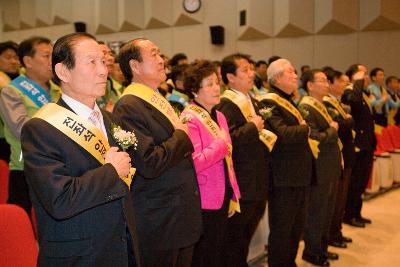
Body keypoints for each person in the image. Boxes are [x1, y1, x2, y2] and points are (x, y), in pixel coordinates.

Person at [21, 32, 138, 266]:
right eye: (92, 62)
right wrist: (110, 171)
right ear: (63, 71)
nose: (103, 70)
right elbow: (60, 200)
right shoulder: (41, 128)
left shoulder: (108, 118)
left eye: (103, 61)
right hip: (80, 254)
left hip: (120, 247)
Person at [113, 38, 202, 267]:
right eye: (153, 54)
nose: (161, 60)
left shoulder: (156, 99)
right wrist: (181, 136)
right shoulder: (129, 105)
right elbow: (149, 162)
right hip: (160, 219)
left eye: (160, 54)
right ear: (135, 66)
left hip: (179, 213)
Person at [181, 60, 241, 267]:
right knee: (204, 254)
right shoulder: (189, 118)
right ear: (194, 91)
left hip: (223, 192)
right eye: (209, 84)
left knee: (218, 251)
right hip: (204, 198)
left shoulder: (220, 115)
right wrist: (221, 144)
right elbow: (195, 162)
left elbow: (228, 159)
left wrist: (233, 191)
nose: (217, 88)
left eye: (217, 83)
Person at [216, 53, 270, 266]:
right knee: (235, 237)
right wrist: (252, 128)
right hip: (241, 180)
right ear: (230, 77)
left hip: (258, 177)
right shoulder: (226, 104)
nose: (252, 73)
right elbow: (227, 141)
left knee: (247, 233)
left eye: (251, 69)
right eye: (245, 70)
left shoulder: (253, 100)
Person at [259, 58, 312, 267]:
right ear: (278, 78)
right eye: (291, 72)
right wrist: (305, 128)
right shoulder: (269, 102)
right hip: (283, 176)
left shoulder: (290, 101)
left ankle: (289, 262)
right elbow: (282, 134)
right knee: (282, 227)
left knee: (296, 226)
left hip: (299, 173)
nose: (295, 75)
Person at [0, 36, 61, 217]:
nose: (52, 61)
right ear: (28, 61)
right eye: (46, 56)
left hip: (58, 166)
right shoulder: (12, 91)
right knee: (26, 226)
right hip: (26, 168)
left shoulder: (60, 90)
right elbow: (22, 129)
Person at [299, 70, 342, 266]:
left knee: (327, 211)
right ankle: (312, 251)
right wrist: (332, 131)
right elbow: (313, 137)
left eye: (326, 81)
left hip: (330, 165)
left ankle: (322, 248)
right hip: (318, 167)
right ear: (310, 85)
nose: (326, 84)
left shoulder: (324, 105)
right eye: (322, 81)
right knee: (317, 213)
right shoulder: (306, 107)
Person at [323, 70, 355, 249]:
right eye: (342, 81)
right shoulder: (327, 103)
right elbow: (339, 126)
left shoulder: (338, 102)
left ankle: (336, 231)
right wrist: (348, 121)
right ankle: (332, 234)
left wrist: (348, 121)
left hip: (346, 152)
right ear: (332, 83)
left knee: (341, 197)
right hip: (336, 153)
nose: (345, 85)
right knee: (334, 200)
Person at [342, 64, 376, 227]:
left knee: (362, 181)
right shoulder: (349, 92)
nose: (367, 78)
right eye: (363, 74)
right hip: (358, 144)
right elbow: (353, 103)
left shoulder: (362, 94)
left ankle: (357, 212)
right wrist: (357, 82)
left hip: (367, 143)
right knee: (355, 182)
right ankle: (349, 214)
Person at [0, 41, 20, 162]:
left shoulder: (21, 76)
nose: (13, 61)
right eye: (8, 57)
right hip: (3, 138)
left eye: (16, 57)